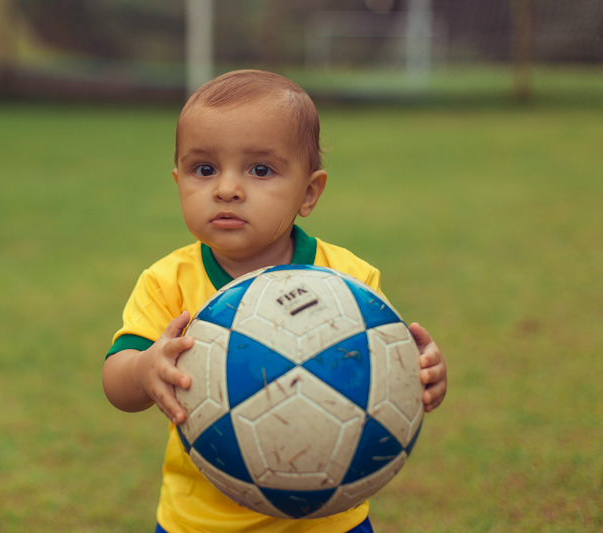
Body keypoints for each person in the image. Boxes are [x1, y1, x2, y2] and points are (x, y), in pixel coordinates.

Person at [102, 70, 447, 533]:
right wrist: (144, 369)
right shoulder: (169, 281)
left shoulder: (348, 281)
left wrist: (421, 371)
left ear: (309, 192)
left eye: (260, 170)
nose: (226, 189)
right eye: (203, 170)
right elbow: (116, 381)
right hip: (200, 523)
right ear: (178, 179)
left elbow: (387, 367)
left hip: (331, 519)